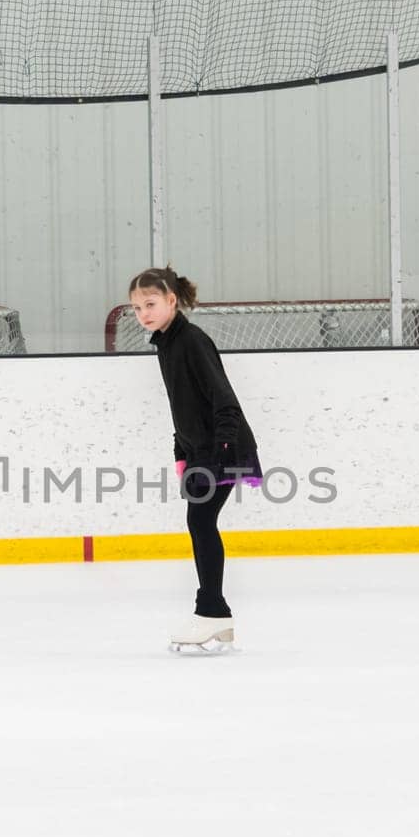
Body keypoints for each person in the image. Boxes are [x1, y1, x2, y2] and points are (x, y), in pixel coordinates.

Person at [128, 266, 263, 653]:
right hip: (201, 451)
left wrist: (219, 453)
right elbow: (182, 406)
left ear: (172, 300)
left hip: (224, 449)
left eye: (150, 304)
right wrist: (181, 453)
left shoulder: (191, 341)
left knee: (200, 520)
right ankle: (215, 615)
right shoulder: (167, 343)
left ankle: (213, 614)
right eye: (137, 308)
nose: (144, 314)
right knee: (200, 521)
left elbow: (225, 402)